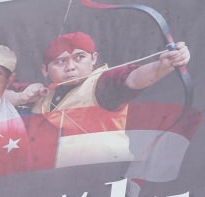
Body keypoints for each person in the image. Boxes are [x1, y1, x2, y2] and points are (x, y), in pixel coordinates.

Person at [28, 31, 191, 166]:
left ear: (94, 58)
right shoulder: (41, 94)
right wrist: (21, 96)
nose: (71, 67)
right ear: (45, 70)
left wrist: (163, 66)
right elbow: (5, 90)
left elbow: (131, 79)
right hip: (58, 182)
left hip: (107, 177)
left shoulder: (102, 84)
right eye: (61, 61)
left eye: (80, 57)